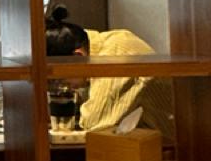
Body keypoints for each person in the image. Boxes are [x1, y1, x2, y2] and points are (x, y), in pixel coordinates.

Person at [47, 9, 175, 139]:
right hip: (146, 139)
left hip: (172, 144)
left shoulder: (112, 57)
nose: (61, 86)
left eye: (59, 79)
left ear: (78, 56)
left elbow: (94, 125)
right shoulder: (101, 42)